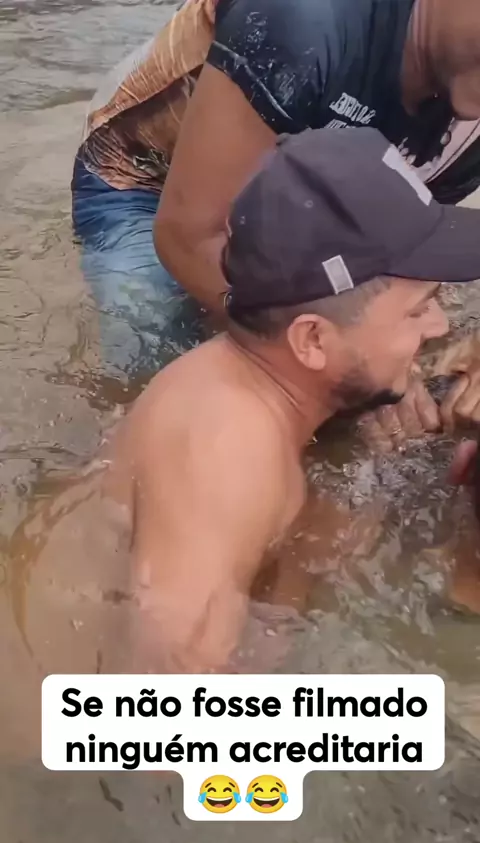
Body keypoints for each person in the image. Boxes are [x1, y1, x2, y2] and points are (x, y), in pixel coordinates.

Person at [66, 125, 480, 678]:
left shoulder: (249, 384)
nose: (441, 325)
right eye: (418, 309)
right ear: (313, 340)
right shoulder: (227, 452)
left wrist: (304, 562)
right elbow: (154, 710)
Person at [72, 0, 480, 390]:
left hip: (311, 195)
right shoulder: (305, 18)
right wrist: (350, 364)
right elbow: (189, 237)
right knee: (155, 345)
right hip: (149, 183)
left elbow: (414, 245)